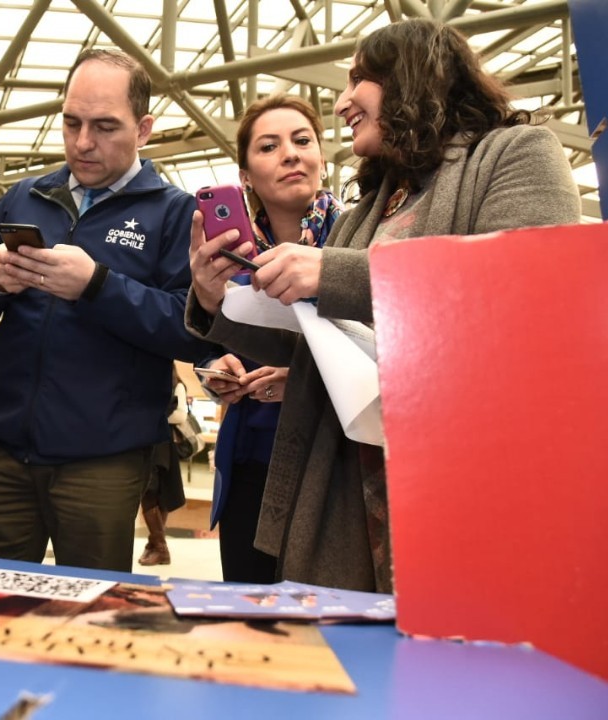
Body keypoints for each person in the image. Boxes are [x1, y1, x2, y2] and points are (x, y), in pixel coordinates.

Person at [185, 18, 580, 593]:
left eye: (358, 80)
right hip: (353, 484)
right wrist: (216, 299)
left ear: (412, 78)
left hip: (459, 472)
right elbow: (316, 341)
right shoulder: (365, 210)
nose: (342, 102)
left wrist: (330, 272)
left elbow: (530, 286)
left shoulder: (517, 152)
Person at [0, 49, 212, 573]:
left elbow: (190, 331)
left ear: (145, 129)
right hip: (2, 452)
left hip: (102, 462)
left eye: (106, 126)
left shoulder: (175, 213)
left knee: (89, 617)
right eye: (72, 123)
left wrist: (96, 285)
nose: (83, 142)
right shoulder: (23, 197)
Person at [196, 94, 342, 583]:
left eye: (303, 141)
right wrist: (220, 376)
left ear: (322, 156)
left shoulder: (357, 242)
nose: (291, 154)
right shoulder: (227, 257)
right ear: (245, 175)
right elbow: (214, 346)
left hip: (332, 465)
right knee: (250, 613)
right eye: (269, 146)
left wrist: (300, 377)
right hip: (250, 460)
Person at [138, 366, 188, 566]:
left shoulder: (178, 385)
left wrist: (152, 416)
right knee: (151, 494)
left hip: (163, 445)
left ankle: (160, 548)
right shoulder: (147, 383)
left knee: (155, 494)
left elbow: (181, 416)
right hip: (147, 442)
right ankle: (154, 545)